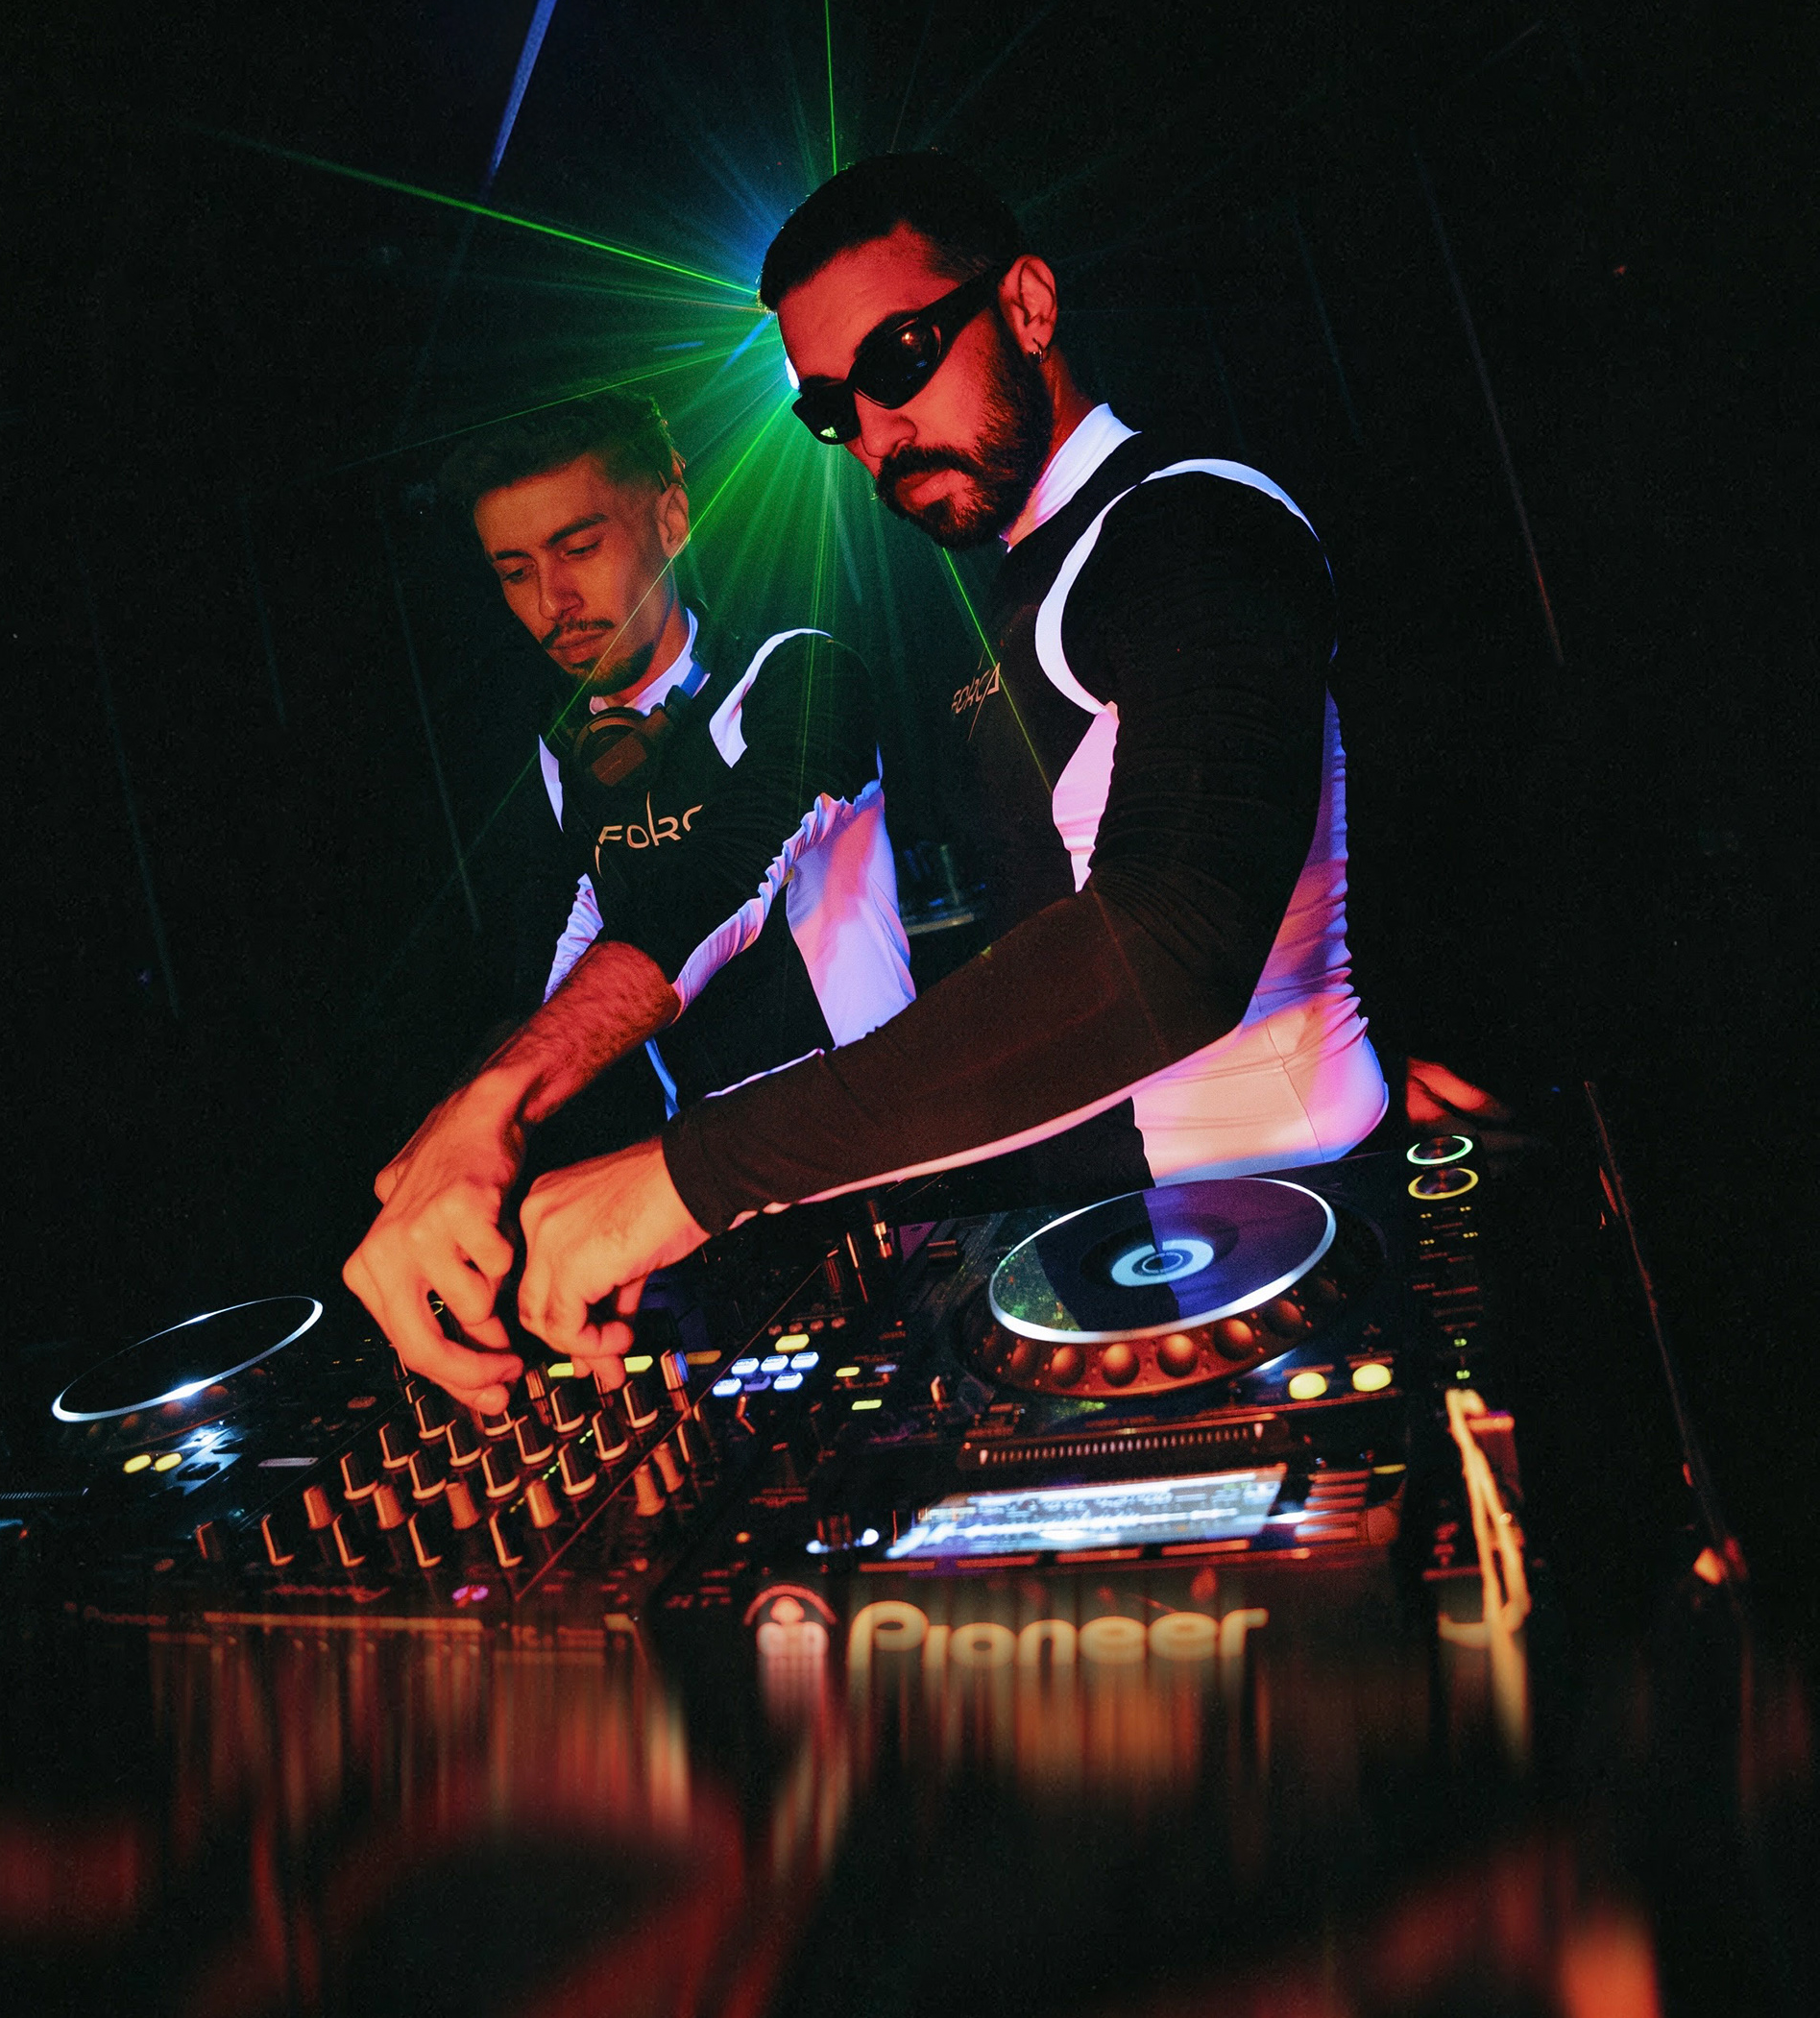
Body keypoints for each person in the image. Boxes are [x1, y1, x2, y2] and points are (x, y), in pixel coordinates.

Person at [508, 154, 1393, 1376]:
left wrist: (692, 1176)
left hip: (1280, 1241)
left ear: (1027, 306)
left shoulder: (1194, 520)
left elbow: (1172, 941)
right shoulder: (1022, 588)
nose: (876, 432)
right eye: (833, 409)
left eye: (901, 357)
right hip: (1125, 1248)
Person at [341, 389, 912, 1402]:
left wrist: (494, 1104)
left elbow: (718, 886)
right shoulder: (563, 759)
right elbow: (548, 985)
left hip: (884, 1177)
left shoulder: (801, 674)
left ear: (671, 517)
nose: (551, 602)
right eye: (514, 571)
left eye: (578, 547)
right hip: (700, 1207)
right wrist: (456, 1149)